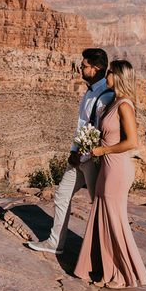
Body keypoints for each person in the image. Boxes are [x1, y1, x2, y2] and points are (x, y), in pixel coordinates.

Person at [28, 48, 115, 255]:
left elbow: (101, 129)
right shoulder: (90, 90)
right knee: (61, 195)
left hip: (93, 160)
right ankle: (55, 243)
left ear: (97, 68)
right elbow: (82, 124)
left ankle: (102, 251)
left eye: (83, 66)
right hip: (78, 157)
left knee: (97, 205)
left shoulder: (106, 95)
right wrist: (74, 151)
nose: (80, 70)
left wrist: (86, 152)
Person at [74, 59, 146, 289]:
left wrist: (102, 149)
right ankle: (103, 268)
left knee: (114, 219)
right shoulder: (112, 102)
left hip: (117, 167)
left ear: (118, 76)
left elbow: (132, 142)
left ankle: (122, 273)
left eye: (109, 72)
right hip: (107, 166)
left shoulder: (125, 105)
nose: (106, 75)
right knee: (102, 214)